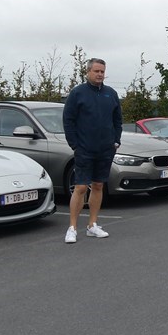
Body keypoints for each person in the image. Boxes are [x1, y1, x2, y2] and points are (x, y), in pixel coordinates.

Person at [62, 58, 122, 243]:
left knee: (98, 186)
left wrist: (115, 141)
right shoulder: (77, 93)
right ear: (88, 72)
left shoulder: (111, 94)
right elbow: (68, 120)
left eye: (102, 71)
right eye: (96, 71)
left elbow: (117, 120)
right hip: (84, 149)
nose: (100, 74)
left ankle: (92, 225)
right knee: (80, 187)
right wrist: (75, 144)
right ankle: (72, 228)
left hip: (106, 149)